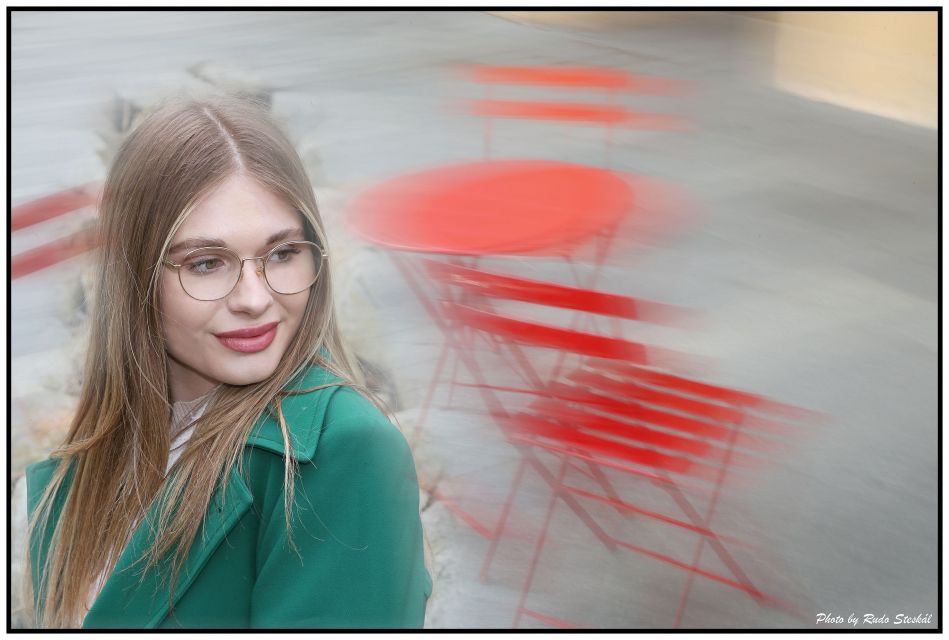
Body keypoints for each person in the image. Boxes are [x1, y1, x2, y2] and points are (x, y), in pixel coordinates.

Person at [22, 95, 432, 629]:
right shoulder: (87, 467)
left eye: (282, 253)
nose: (255, 299)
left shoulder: (345, 451)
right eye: (206, 263)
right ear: (134, 277)